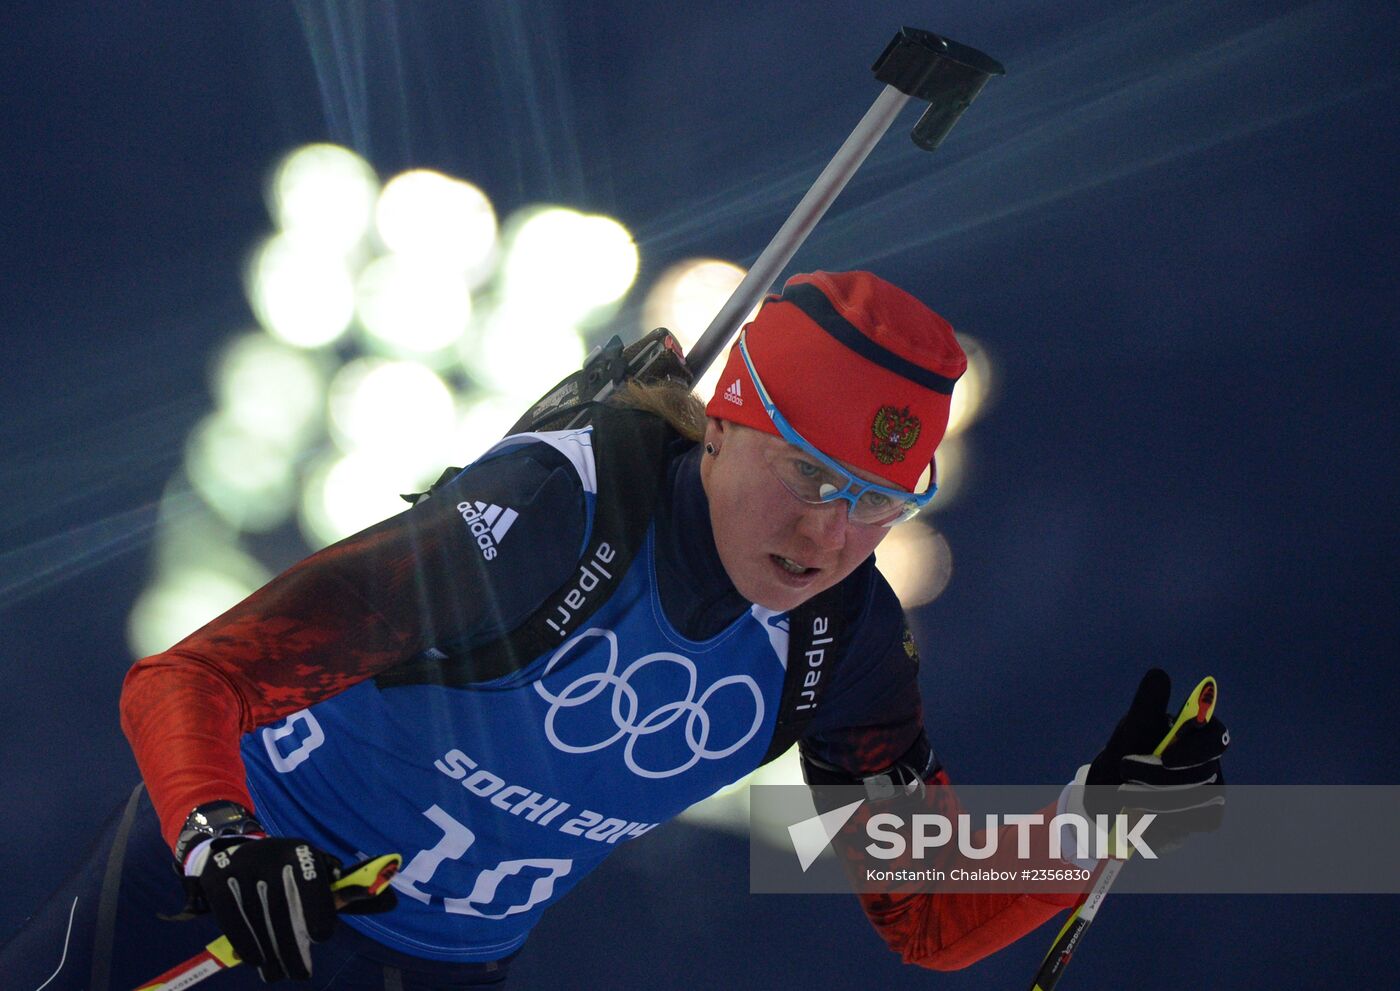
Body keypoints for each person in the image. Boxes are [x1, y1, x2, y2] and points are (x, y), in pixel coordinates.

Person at [2, 271, 1226, 989]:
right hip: (221, 891)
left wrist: (1100, 821)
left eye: (877, 504)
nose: (827, 536)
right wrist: (222, 840)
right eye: (805, 474)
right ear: (725, 421)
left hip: (435, 965)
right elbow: (189, 678)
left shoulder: (842, 644)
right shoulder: (556, 516)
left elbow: (922, 910)